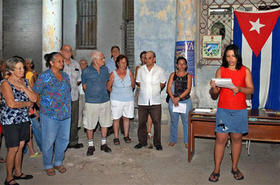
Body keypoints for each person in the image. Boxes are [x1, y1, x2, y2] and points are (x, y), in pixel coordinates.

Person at [209, 44, 254, 182]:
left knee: (236, 139)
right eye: (228, 56)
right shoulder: (221, 70)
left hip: (239, 111)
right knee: (221, 139)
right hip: (223, 112)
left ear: (237, 56)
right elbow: (215, 94)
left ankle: (234, 167)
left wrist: (239, 89)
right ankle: (216, 169)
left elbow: (251, 90)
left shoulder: (245, 70)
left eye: (233, 56)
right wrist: (214, 88)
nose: (230, 59)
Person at [33, 52, 71, 176]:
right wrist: (41, 106)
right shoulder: (44, 76)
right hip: (49, 114)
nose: (62, 63)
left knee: (64, 139)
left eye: (62, 61)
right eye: (59, 61)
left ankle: (58, 162)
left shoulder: (65, 76)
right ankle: (48, 164)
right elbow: (35, 92)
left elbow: (68, 91)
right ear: (51, 62)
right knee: (49, 140)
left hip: (65, 113)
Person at [1, 56, 37, 185]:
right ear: (11, 70)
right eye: (19, 68)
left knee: (21, 146)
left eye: (23, 67)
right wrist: (27, 104)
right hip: (10, 121)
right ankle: (9, 177)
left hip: (23, 119)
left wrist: (24, 88)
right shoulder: (5, 83)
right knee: (13, 148)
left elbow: (34, 98)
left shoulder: (25, 82)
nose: (23, 70)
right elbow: (11, 104)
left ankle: (18, 172)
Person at [82, 50, 112, 156]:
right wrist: (92, 94)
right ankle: (91, 145)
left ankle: (104, 143)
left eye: (103, 58)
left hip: (105, 100)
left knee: (105, 123)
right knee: (90, 125)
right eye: (102, 58)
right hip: (91, 102)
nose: (104, 60)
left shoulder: (105, 70)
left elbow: (107, 83)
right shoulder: (86, 71)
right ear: (95, 60)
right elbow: (84, 86)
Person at [134, 51, 166, 151]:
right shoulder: (140, 70)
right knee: (141, 122)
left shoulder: (159, 70)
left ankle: (157, 143)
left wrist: (155, 91)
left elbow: (162, 83)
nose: (147, 60)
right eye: (146, 58)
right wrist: (146, 90)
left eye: (149, 58)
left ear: (154, 59)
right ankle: (142, 142)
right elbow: (138, 82)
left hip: (155, 100)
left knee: (157, 122)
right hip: (143, 100)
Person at [107, 55, 135, 145]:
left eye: (125, 62)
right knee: (116, 119)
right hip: (116, 100)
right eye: (122, 62)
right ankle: (116, 137)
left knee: (126, 118)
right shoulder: (113, 74)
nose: (124, 64)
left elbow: (133, 85)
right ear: (118, 63)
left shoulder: (129, 72)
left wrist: (126, 92)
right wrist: (115, 93)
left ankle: (126, 136)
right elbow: (108, 86)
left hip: (128, 99)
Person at [61, 45, 83, 149]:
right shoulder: (59, 64)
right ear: (61, 51)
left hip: (74, 96)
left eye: (70, 50)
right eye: (66, 50)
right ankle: (62, 142)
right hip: (61, 98)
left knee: (74, 120)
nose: (68, 52)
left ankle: (73, 141)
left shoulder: (76, 64)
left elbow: (79, 80)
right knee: (63, 120)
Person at [167, 56, 192, 148]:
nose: (181, 66)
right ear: (176, 65)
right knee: (174, 121)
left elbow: (188, 89)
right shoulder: (172, 75)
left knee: (186, 122)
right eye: (179, 64)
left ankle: (187, 141)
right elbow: (169, 87)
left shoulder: (189, 76)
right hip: (173, 101)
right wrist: (173, 98)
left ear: (186, 66)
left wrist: (179, 98)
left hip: (185, 102)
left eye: (183, 64)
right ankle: (173, 139)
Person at [135, 51, 153, 147]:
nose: (144, 59)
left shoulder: (153, 68)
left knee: (150, 113)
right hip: (141, 91)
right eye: (142, 57)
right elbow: (137, 81)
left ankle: (149, 131)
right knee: (142, 114)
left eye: (145, 57)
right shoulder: (139, 68)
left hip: (150, 92)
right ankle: (142, 134)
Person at [24, 58, 41, 158]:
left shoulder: (32, 74)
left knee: (34, 126)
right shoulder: (23, 76)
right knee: (31, 128)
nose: (26, 65)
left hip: (31, 103)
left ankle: (30, 149)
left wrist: (36, 104)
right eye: (25, 64)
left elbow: (35, 89)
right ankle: (28, 150)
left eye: (28, 63)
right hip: (25, 105)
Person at [78, 59, 88, 128]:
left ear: (87, 65)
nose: (83, 65)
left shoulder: (89, 72)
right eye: (81, 63)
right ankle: (78, 125)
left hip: (87, 93)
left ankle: (86, 125)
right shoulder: (77, 72)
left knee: (86, 110)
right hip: (79, 94)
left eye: (84, 63)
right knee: (79, 110)